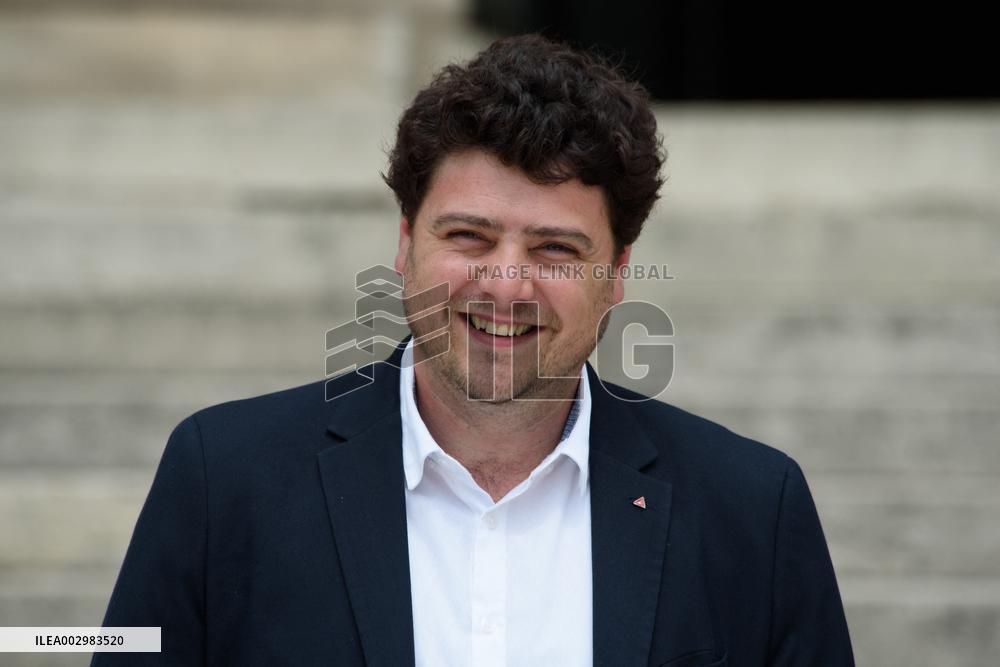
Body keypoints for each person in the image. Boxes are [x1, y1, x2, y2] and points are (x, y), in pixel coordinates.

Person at [93, 34, 854, 666]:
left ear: (616, 275)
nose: (506, 284)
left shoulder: (755, 508)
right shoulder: (220, 476)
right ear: (404, 243)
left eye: (556, 249)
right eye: (469, 236)